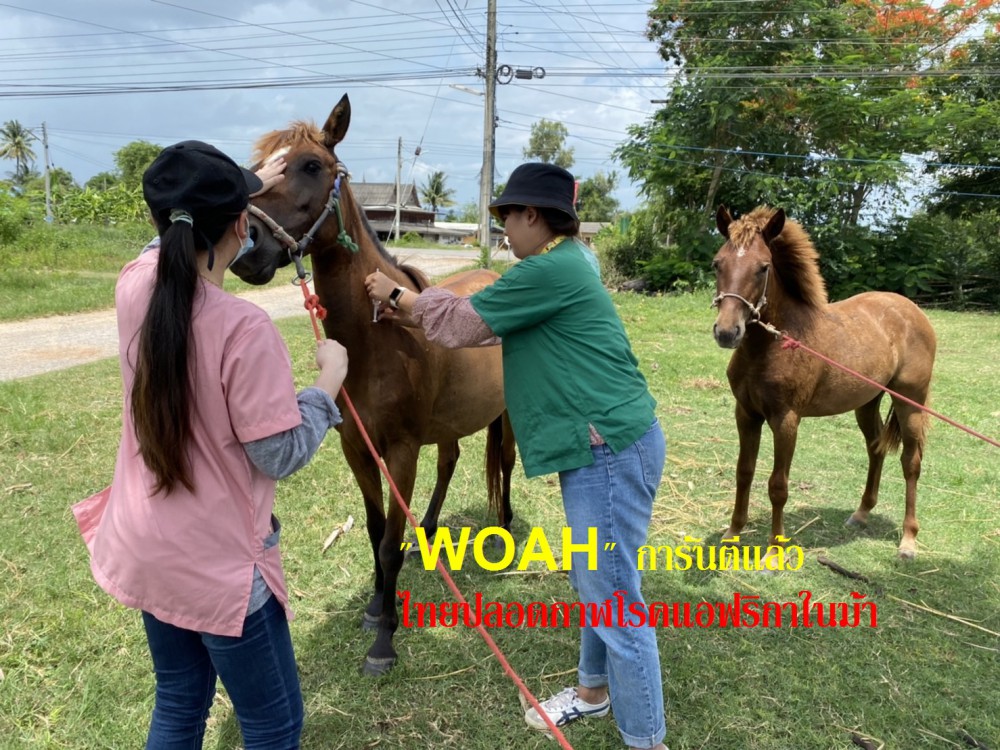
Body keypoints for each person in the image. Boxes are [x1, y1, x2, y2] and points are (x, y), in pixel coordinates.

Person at [365, 162, 668, 750]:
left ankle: (647, 740)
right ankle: (592, 691)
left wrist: (396, 293)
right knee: (599, 582)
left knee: (614, 602)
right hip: (609, 445)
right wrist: (415, 313)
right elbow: (489, 326)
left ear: (534, 215)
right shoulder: (573, 260)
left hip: (607, 450)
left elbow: (464, 322)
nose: (504, 229)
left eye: (507, 216)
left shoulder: (549, 269)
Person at [74, 140, 348, 749]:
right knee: (273, 725)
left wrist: (241, 185)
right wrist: (326, 384)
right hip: (220, 570)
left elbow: (165, 237)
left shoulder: (133, 287)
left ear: (159, 222)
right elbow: (279, 452)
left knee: (178, 703)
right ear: (243, 226)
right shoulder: (243, 327)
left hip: (149, 549)